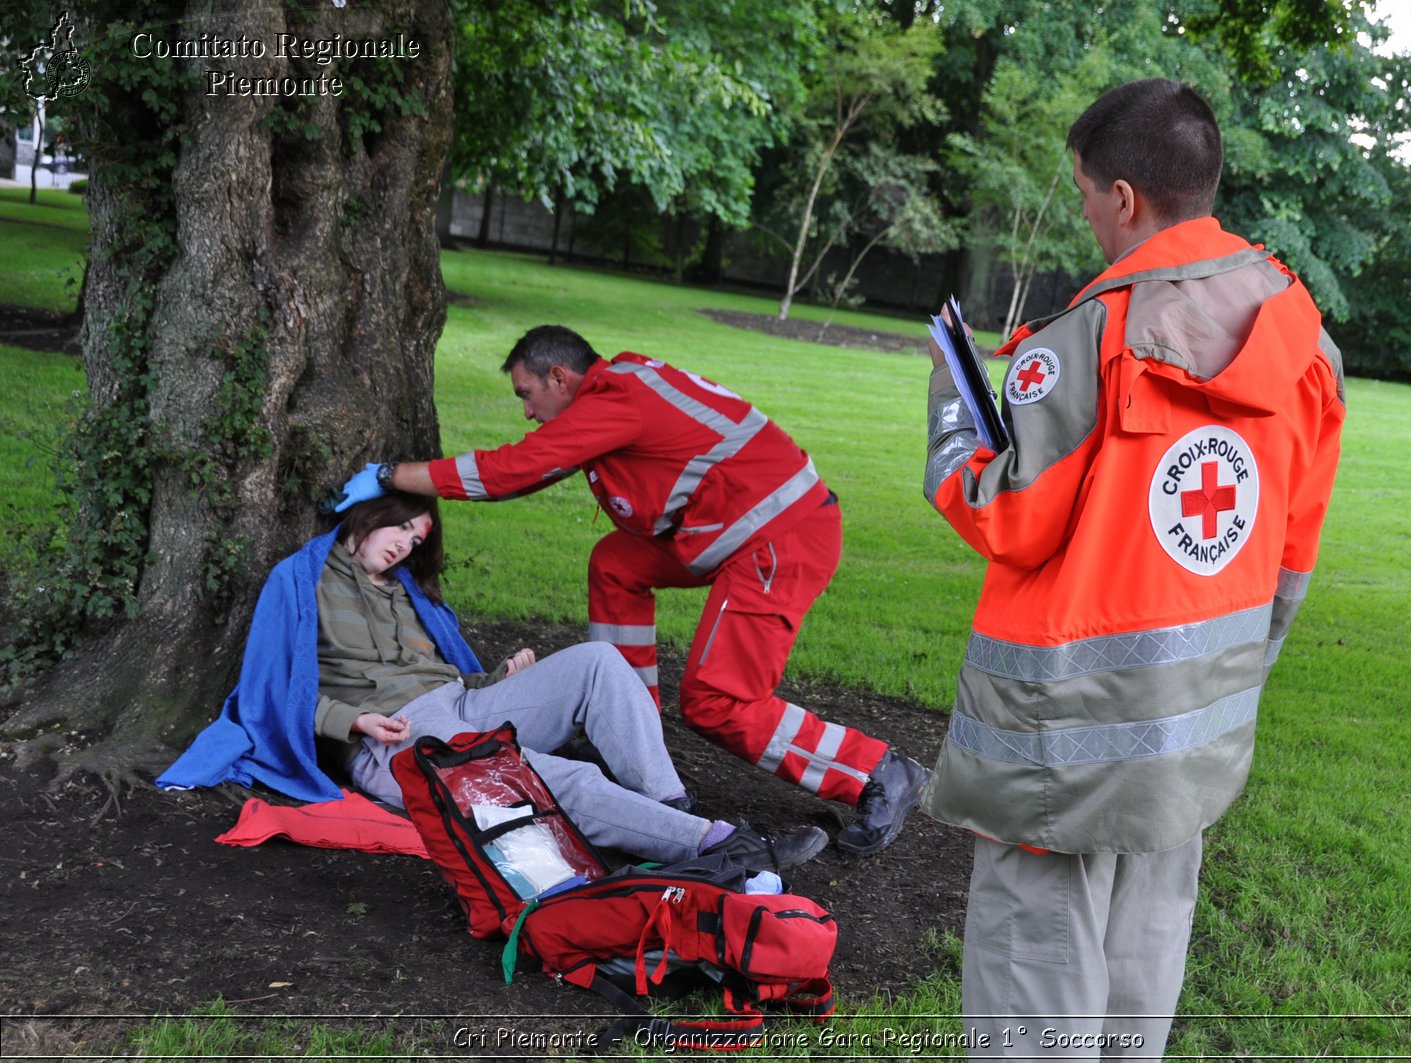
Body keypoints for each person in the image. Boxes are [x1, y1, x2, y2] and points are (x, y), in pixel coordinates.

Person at [921, 79, 1345, 1058]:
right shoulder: (1302, 342)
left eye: (1079, 189)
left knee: (1034, 988)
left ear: (1121, 196)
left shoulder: (1092, 336)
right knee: (1137, 980)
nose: (1082, 211)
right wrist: (1228, 683)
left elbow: (1003, 515)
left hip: (1053, 757)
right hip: (1187, 746)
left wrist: (953, 403)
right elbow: (1292, 554)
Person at [331, 327, 929, 856]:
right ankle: (629, 727)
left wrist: (389, 476)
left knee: (719, 701)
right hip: (735, 527)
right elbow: (529, 470)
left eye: (526, 395)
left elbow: (509, 470)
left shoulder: (614, 400)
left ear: (559, 378)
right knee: (617, 563)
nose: (527, 413)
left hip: (777, 538)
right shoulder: (616, 390)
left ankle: (878, 770)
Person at [158, 493, 829, 875]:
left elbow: (443, 672)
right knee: (558, 779)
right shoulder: (300, 582)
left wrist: (500, 677)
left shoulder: (407, 593)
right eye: (399, 526)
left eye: (416, 538)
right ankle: (720, 847)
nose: (404, 544)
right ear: (366, 516)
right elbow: (269, 690)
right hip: (398, 735)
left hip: (464, 701)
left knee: (599, 663)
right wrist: (349, 722)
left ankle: (670, 805)